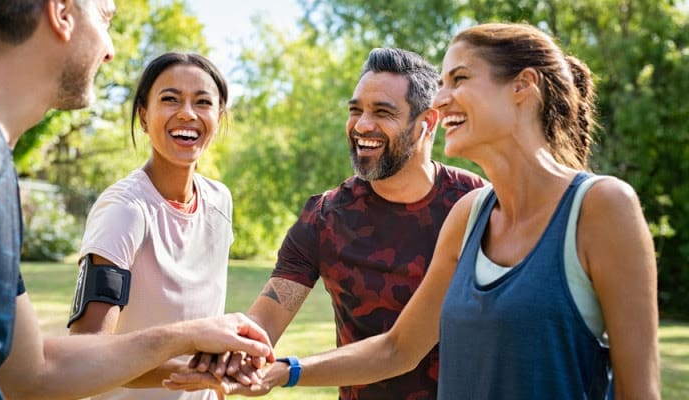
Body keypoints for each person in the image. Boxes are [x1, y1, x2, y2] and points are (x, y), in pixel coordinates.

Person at [167, 22, 660, 399]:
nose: (361, 124)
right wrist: (254, 361)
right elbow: (395, 348)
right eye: (355, 109)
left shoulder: (585, 207)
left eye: (459, 79)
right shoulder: (447, 217)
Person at [0, 1, 273, 399]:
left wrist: (193, 338)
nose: (109, 50)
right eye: (105, 18)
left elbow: (35, 373)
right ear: (61, 12)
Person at [182, 47, 485, 399]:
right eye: (355, 110)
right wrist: (230, 356)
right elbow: (266, 320)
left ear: (427, 123)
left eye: (382, 112)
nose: (362, 125)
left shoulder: (477, 203)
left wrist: (288, 371)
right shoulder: (325, 217)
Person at [66, 51, 235, 400]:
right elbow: (86, 354)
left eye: (203, 102)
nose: (187, 113)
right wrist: (196, 373)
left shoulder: (220, 201)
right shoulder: (124, 211)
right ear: (144, 116)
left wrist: (215, 380)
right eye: (170, 99)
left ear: (219, 117)